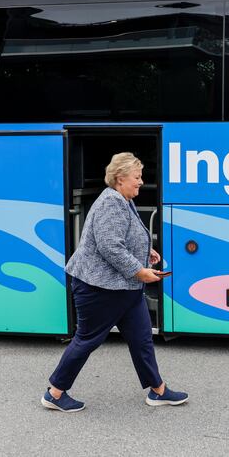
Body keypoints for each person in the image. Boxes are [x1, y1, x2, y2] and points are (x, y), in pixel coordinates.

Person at [41, 152, 188, 412]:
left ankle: (158, 391)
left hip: (124, 289)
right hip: (100, 289)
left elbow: (123, 237)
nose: (141, 182)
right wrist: (139, 271)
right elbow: (110, 246)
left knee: (142, 339)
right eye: (137, 177)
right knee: (87, 340)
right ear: (120, 179)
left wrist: (146, 253)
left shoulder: (123, 199)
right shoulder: (112, 202)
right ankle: (55, 393)